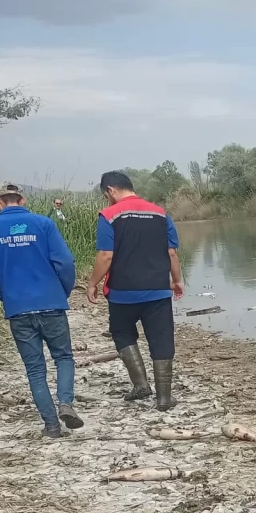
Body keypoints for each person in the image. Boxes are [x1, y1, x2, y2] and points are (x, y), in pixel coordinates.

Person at [0, 183, 84, 438]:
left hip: (18, 308)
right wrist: (62, 290)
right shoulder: (44, 224)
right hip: (51, 303)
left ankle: (51, 426)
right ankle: (65, 402)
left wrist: (1, 293)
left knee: (35, 369)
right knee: (63, 357)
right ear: (22, 200)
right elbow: (65, 262)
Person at [85, 171, 184, 410]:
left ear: (110, 190)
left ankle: (140, 385)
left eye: (106, 195)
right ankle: (164, 398)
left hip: (122, 292)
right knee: (161, 337)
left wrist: (92, 283)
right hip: (158, 290)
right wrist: (176, 280)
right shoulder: (160, 213)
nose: (107, 199)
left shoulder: (109, 215)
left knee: (122, 333)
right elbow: (171, 252)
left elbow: (106, 255)